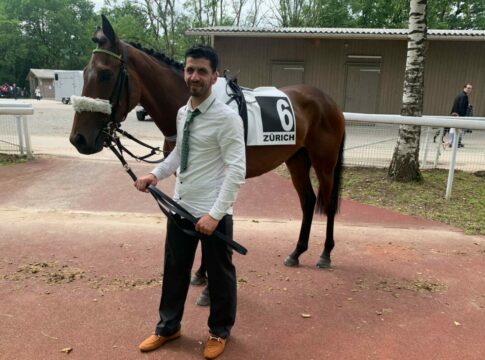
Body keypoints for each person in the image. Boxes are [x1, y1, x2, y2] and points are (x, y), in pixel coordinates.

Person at [134, 44, 246, 359]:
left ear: (214, 78)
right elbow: (179, 154)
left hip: (213, 213)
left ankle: (219, 332)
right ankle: (168, 327)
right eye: (189, 69)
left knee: (220, 276)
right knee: (174, 270)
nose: (194, 76)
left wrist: (215, 214)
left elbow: (237, 170)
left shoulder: (227, 118)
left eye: (201, 71)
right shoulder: (184, 112)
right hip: (180, 207)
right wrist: (156, 174)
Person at [447, 83, 473, 148]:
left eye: (471, 88)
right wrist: (461, 116)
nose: (469, 90)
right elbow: (461, 106)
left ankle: (454, 142)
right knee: (457, 129)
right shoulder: (464, 96)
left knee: (454, 129)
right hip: (458, 115)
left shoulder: (460, 95)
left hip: (455, 114)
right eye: (468, 88)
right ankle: (455, 142)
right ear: (464, 88)